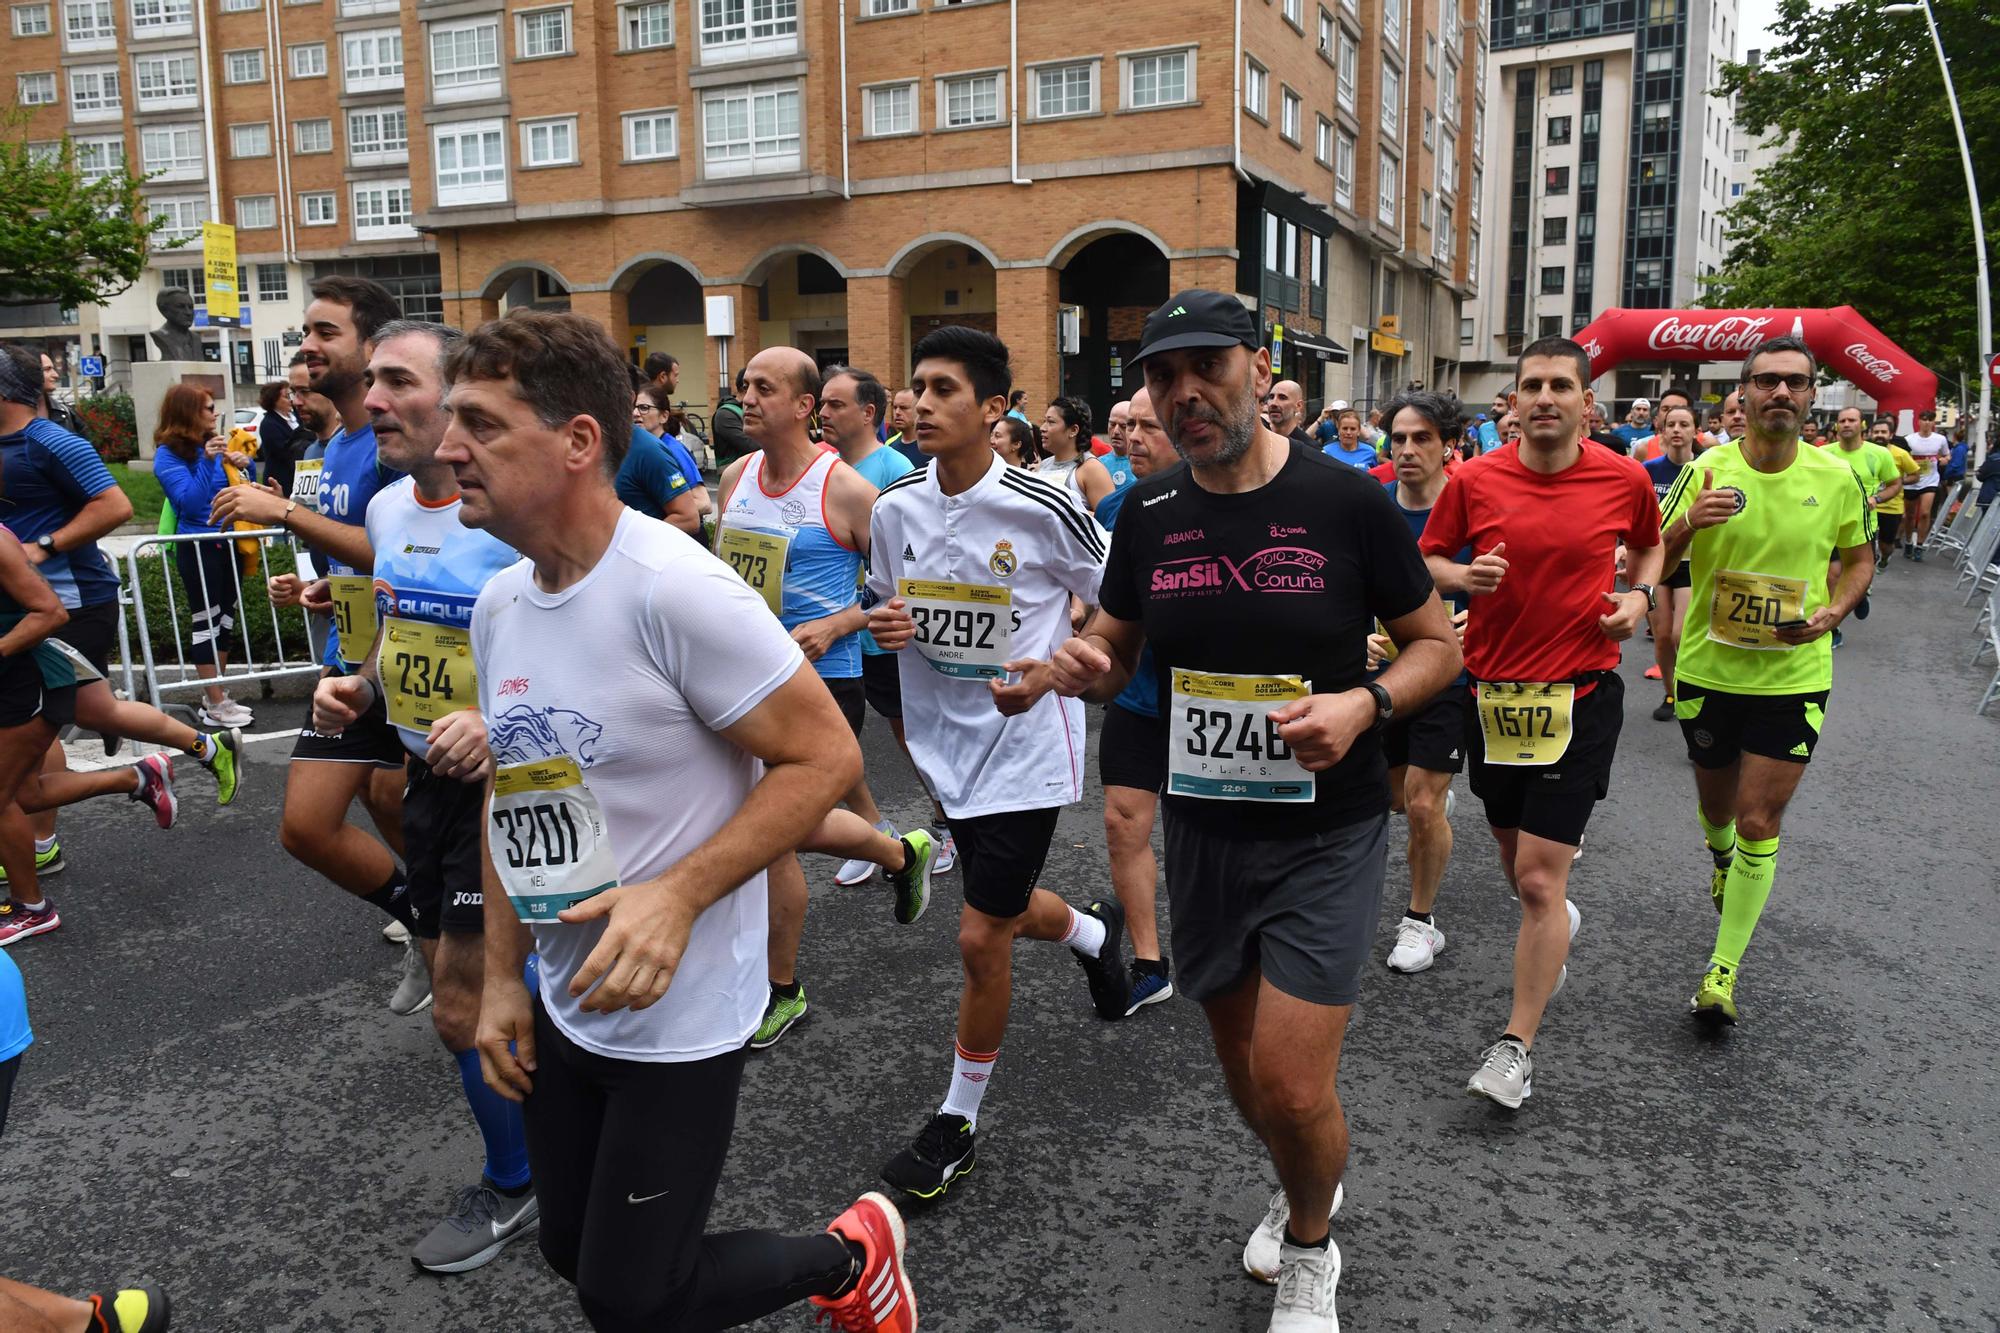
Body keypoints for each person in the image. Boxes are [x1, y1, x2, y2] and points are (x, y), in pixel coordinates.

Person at [449, 311, 917, 1332]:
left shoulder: (675, 589)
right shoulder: (499, 605)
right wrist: (499, 978)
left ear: (577, 441)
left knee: (629, 1293)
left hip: (681, 1008)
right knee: (572, 1252)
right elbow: (512, 795)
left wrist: (677, 893)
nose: (449, 449)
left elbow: (825, 757)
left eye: (480, 425)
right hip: (566, 993)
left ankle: (852, 1255)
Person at [1046, 289, 1458, 1331]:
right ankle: (1297, 1176)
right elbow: (1117, 650)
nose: (1184, 394)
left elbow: (1436, 647)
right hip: (1203, 828)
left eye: (1207, 369)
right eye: (1160, 376)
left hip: (1326, 829)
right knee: (1242, 1066)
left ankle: (1313, 1244)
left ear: (1257, 365)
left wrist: (1362, 707)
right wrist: (1075, 665)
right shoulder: (1144, 512)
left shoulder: (1345, 502)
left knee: (1289, 1078)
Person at [865, 325, 1128, 1203]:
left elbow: (1114, 606)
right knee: (1005, 909)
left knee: (980, 932)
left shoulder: (1041, 506)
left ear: (993, 409)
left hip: (1024, 742)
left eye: (945, 390)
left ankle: (957, 1120)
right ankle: (1095, 933)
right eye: (918, 388)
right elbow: (890, 603)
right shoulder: (895, 507)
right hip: (945, 747)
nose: (923, 403)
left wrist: (1061, 662)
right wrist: (889, 623)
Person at [307, 319, 542, 1273]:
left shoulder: (514, 516)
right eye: (371, 384)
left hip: (518, 788)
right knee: (513, 984)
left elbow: (580, 636)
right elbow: (401, 624)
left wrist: (499, 719)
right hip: (431, 779)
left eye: (395, 382)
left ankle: (518, 1180)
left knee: (463, 1005)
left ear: (454, 400)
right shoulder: (392, 509)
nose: (371, 402)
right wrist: (363, 683)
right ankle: (558, 1126)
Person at [1419, 335, 1664, 1110]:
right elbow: (1427, 558)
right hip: (1493, 697)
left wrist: (1640, 599)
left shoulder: (1623, 477)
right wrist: (1462, 574)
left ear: (1588, 403)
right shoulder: (1476, 478)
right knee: (1513, 855)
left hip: (1581, 695)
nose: (1546, 397)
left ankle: (1515, 1045)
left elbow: (1650, 549)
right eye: (1532, 385)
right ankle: (1552, 915)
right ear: (1514, 401)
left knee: (1533, 877)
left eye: (1562, 384)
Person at [715, 348, 933, 1049]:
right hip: (738, 679)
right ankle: (900, 853)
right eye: (744, 385)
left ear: (805, 406)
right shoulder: (734, 476)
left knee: (768, 835)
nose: (746, 397)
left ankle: (781, 989)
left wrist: (841, 620)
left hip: (821, 683)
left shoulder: (844, 490)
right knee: (755, 826)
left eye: (763, 388)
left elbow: (904, 590)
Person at [211, 277, 419, 1008]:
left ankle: (465, 937)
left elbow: (396, 551)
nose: (306, 346)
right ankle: (425, 919)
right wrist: (318, 586)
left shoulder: (395, 449)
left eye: (325, 332)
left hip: (411, 663)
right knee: (306, 825)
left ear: (371, 346)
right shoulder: (336, 445)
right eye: (306, 331)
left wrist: (284, 515)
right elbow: (358, 558)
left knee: (399, 796)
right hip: (350, 659)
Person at [1656, 334, 1872, 1025]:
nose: (1782, 392)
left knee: (1758, 818)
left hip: (1794, 673)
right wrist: (1691, 521)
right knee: (1719, 811)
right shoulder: (1708, 469)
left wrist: (1834, 610)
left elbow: (1861, 557)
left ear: (1813, 397)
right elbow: (1652, 560)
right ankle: (1721, 859)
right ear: (1742, 395)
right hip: (1709, 670)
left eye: (1796, 383)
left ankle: (1722, 971)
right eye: (1768, 381)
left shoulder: (1838, 477)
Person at [0, 345, 239, 907]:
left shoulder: (49, 440)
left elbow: (113, 506)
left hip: (69, 605)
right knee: (80, 716)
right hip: (29, 608)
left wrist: (42, 547)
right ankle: (187, 754)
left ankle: (36, 862)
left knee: (38, 736)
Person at [0, 451, 178, 948]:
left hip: (33, 684)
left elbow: (50, 614)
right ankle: (137, 776)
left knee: (2, 799)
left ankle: (32, 908)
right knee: (26, 796)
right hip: (12, 684)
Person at [817, 364, 946, 889]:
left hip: (889, 634)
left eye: (835, 404)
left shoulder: (895, 469)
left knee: (911, 735)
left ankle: (947, 823)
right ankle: (875, 830)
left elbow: (915, 565)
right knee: (833, 743)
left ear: (868, 413)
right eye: (821, 403)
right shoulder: (820, 467)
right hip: (838, 643)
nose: (823, 412)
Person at [1367, 391, 1473, 977]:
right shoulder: (1372, 507)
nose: (1407, 450)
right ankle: (1422, 802)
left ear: (1447, 445)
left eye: (1422, 438)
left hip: (1447, 674)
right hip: (1380, 675)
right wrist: (1358, 631)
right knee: (1390, 799)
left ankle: (1420, 921)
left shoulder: (1469, 510)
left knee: (1424, 803)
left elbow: (1508, 578)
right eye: (1399, 439)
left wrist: (1480, 616)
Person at [1091, 385, 1178, 1013]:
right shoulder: (1116, 507)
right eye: (1128, 426)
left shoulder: (1238, 503)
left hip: (1217, 706)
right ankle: (1150, 961)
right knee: (1124, 824)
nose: (1133, 439)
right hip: (1136, 695)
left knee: (1213, 837)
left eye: (1150, 427)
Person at [149, 384, 254, 728]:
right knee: (206, 622)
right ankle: (214, 700)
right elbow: (191, 504)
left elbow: (233, 491)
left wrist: (240, 466)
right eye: (208, 408)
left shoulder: (210, 446)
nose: (215, 413)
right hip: (197, 546)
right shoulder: (169, 454)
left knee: (225, 619)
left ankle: (216, 697)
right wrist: (209, 461)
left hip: (228, 541)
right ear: (188, 413)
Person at [1642, 404, 1703, 721]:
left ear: (1696, 431)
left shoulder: (1707, 469)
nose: (1677, 430)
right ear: (1662, 431)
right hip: (1657, 560)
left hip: (1691, 563)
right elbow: (1637, 515)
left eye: (1684, 424)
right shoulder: (1650, 469)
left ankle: (1696, 691)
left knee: (1682, 635)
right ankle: (1672, 693)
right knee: (1663, 636)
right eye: (1671, 424)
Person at [622, 383, 705, 536]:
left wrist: (663, 511)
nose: (636, 413)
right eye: (634, 407)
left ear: (664, 416)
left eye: (644, 408)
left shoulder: (674, 449)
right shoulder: (638, 448)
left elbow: (705, 503)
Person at [1036, 397, 1116, 513]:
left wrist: (1068, 513)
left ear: (1073, 430)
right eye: (1044, 421)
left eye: (1051, 422)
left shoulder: (1091, 469)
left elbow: (1109, 520)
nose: (1042, 428)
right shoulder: (1043, 465)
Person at [1868, 418, 1922, 565]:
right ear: (1870, 434)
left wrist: (1897, 483)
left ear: (1891, 435)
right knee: (1866, 548)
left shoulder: (1901, 454)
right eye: (1876, 432)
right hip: (1868, 506)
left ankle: (1885, 558)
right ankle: (1867, 577)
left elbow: (1915, 475)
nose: (1880, 435)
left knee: (1886, 545)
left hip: (1891, 507)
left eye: (1883, 432)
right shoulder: (1864, 452)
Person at [1901, 409, 1949, 557]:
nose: (1927, 422)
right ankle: (1908, 541)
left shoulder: (1940, 439)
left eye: (1930, 420)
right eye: (1924, 419)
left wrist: (1945, 460)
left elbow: (1947, 454)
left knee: (1924, 513)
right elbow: (1902, 457)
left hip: (1930, 480)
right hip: (1912, 480)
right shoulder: (1909, 439)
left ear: (1934, 422)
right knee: (1909, 515)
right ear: (1919, 421)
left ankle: (1920, 545)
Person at [708, 369, 754, 467]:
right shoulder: (725, 414)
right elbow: (749, 445)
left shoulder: (746, 410)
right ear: (745, 387)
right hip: (736, 478)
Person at [148, 289, 202, 362]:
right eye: (180, 307)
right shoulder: (162, 336)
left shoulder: (196, 338)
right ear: (164, 310)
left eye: (190, 307)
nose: (188, 312)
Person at [35, 354, 79, 435]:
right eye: (47, 369)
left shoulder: (66, 413)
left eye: (53, 369)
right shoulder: (9, 417)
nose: (56, 375)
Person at [1263, 379, 1315, 446]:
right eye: (1271, 397)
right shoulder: (1256, 440)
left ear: (1298, 406)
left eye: (1282, 398)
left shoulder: (1309, 449)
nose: (1274, 403)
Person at [1101, 398, 1136, 495]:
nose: (1116, 431)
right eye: (1112, 424)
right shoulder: (1098, 465)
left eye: (1123, 426)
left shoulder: (1145, 465)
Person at [885, 388, 922, 464]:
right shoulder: (889, 444)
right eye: (895, 407)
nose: (897, 412)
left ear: (918, 409)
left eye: (904, 408)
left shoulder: (930, 445)